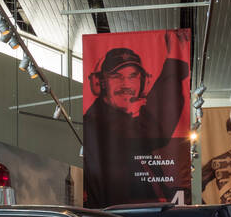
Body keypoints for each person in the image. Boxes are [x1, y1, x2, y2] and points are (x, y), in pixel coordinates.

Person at [81, 40, 189, 208]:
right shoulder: (98, 122)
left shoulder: (119, 120)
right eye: (116, 76)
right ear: (101, 83)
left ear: (143, 82)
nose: (126, 85)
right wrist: (174, 64)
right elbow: (154, 128)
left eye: (133, 76)